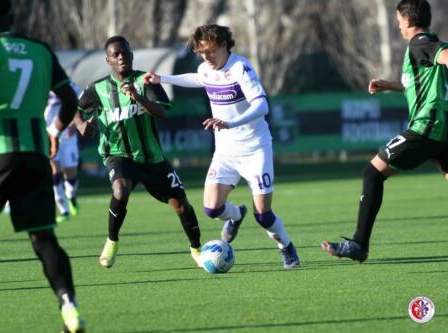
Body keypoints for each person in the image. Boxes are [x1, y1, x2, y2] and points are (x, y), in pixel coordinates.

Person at [0, 1, 85, 332]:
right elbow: (69, 100)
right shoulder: (40, 50)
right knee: (44, 239)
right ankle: (70, 309)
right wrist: (54, 131)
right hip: (35, 155)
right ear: (12, 16)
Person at [144, 24, 300, 269]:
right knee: (211, 208)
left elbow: (262, 106)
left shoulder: (241, 68)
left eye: (211, 51)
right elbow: (198, 79)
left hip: (255, 149)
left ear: (225, 45)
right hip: (226, 151)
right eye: (201, 52)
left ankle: (287, 247)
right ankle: (236, 215)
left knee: (263, 216)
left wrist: (230, 122)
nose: (206, 57)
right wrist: (161, 78)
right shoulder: (206, 68)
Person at [322, 0, 448, 262]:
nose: (398, 26)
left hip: (426, 127)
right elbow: (419, 83)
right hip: (442, 131)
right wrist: (389, 85)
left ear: (409, 21)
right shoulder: (426, 45)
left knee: (372, 172)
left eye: (399, 21)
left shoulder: (420, 42)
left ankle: (359, 244)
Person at [76, 36, 202, 269]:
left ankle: (197, 249)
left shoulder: (146, 81)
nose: (121, 57)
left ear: (131, 55)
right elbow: (75, 107)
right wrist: (81, 125)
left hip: (152, 158)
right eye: (116, 54)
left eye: (125, 52)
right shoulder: (98, 88)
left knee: (181, 206)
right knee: (121, 190)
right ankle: (112, 241)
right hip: (118, 155)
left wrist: (138, 96)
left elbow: (162, 114)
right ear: (108, 60)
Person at [45, 82, 82, 223]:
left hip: (68, 136)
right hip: (50, 135)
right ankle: (63, 210)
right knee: (55, 170)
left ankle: (71, 196)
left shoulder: (72, 85)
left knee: (70, 173)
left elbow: (79, 106)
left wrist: (74, 124)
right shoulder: (43, 84)